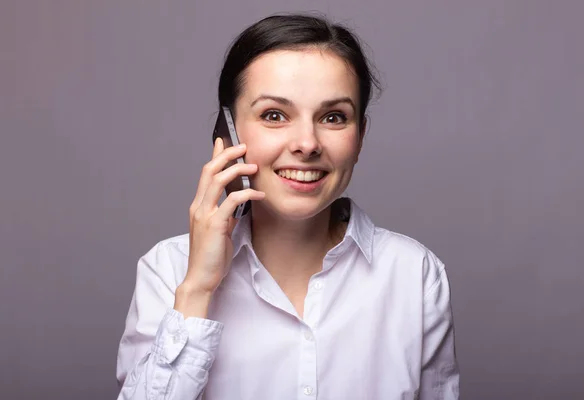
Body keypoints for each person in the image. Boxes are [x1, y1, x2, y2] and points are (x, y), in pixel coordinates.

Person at [116, 13, 459, 400]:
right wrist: (197, 289)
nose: (307, 143)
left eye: (333, 117)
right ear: (227, 134)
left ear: (360, 136)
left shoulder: (414, 275)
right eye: (274, 115)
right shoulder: (169, 270)